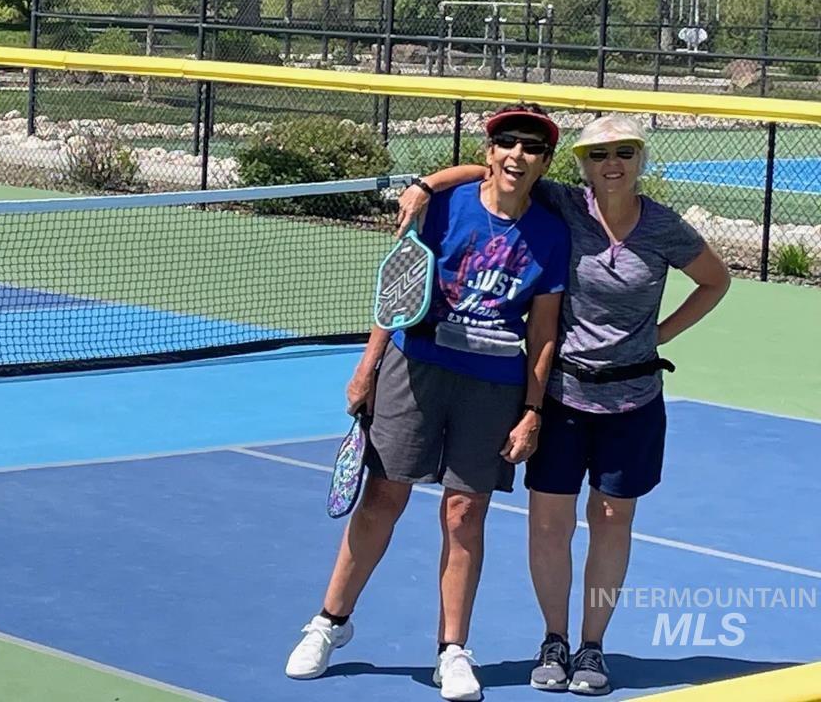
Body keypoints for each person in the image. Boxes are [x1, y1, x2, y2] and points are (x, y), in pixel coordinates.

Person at [395, 113, 731, 695]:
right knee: (550, 526)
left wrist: (661, 335)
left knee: (611, 521)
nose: (612, 164)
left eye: (624, 153)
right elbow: (497, 171)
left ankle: (592, 647)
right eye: (599, 156)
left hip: (634, 403)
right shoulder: (564, 203)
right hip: (562, 400)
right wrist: (427, 183)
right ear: (583, 166)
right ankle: (554, 640)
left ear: (640, 161)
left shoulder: (665, 227)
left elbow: (715, 281)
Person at [285, 103, 571, 702]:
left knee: (465, 516)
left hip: (493, 386)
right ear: (490, 152)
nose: (518, 155)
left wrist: (533, 409)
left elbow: (544, 332)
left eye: (533, 148)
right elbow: (397, 294)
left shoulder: (550, 232)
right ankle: (329, 623)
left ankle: (453, 651)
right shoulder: (442, 207)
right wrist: (365, 371)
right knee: (383, 496)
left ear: (545, 162)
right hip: (413, 370)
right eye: (508, 144)